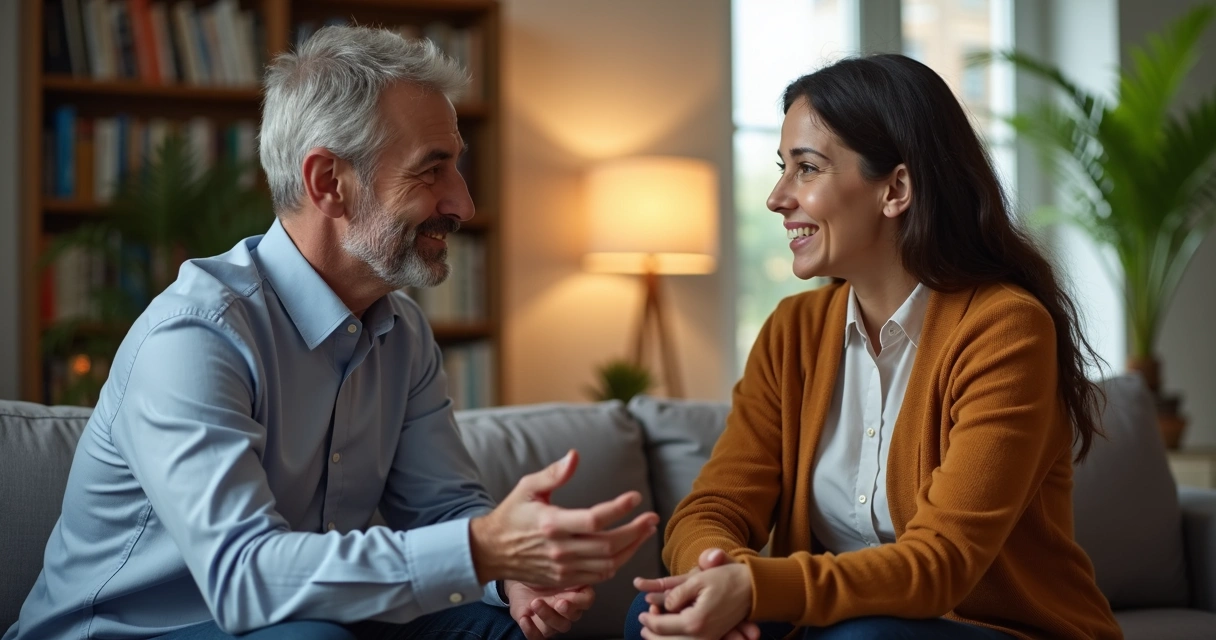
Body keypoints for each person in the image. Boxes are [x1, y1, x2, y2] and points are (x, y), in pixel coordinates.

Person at [4, 26, 659, 640]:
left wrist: (512, 574)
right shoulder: (194, 337)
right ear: (329, 182)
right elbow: (244, 575)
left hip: (299, 620)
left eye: (456, 168)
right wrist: (483, 548)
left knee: (499, 628)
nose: (462, 203)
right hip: (130, 628)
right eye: (432, 171)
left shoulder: (401, 332)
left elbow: (441, 510)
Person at [626, 54, 1123, 640]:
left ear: (896, 188)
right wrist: (718, 579)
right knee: (655, 619)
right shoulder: (792, 331)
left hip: (992, 628)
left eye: (807, 169)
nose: (777, 197)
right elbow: (710, 511)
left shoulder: (1004, 329)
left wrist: (758, 588)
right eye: (782, 168)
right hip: (832, 625)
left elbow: (940, 565)